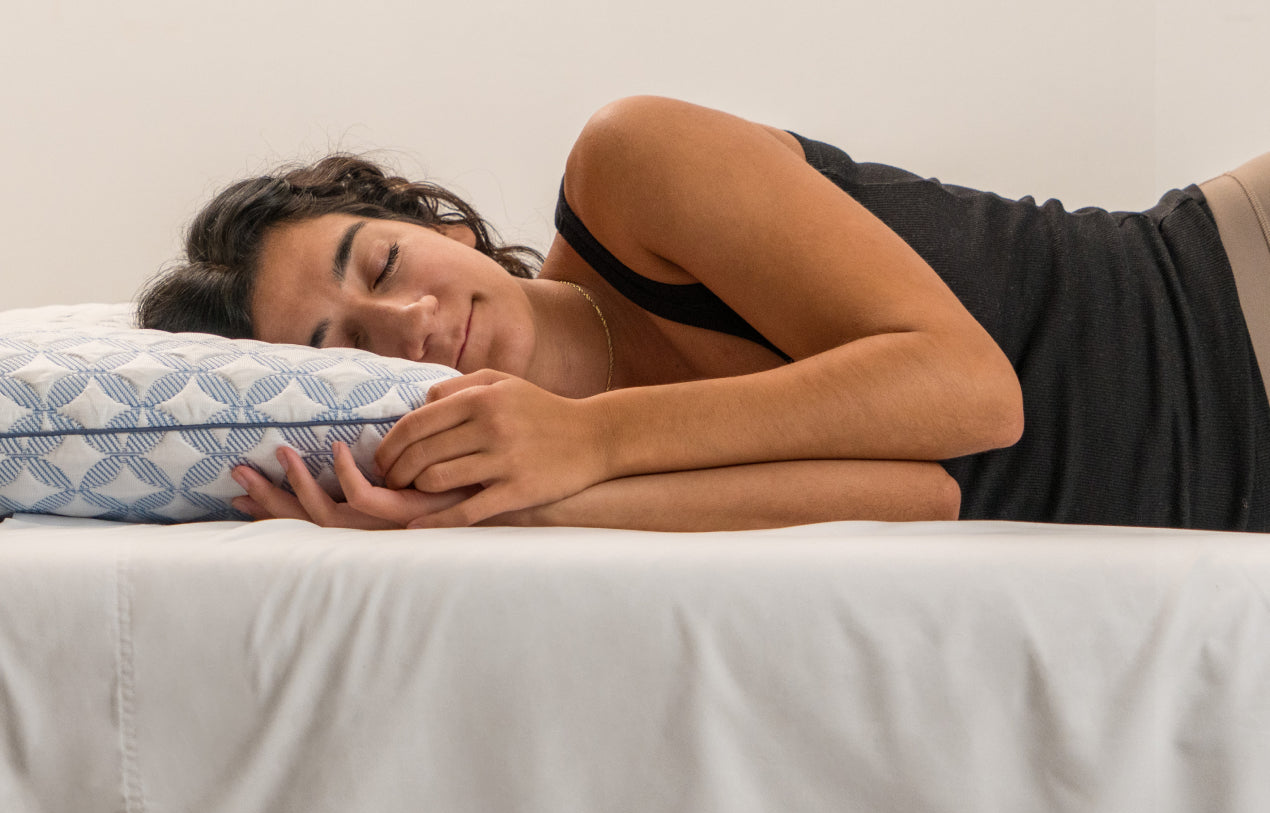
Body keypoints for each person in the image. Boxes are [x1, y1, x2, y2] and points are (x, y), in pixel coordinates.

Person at [137, 96, 1270, 532]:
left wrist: (589, 440)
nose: (411, 320)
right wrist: (506, 508)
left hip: (1231, 289)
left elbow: (972, 396)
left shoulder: (633, 167)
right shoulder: (561, 465)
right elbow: (933, 487)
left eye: (380, 262)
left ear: (444, 225)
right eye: (339, 347)